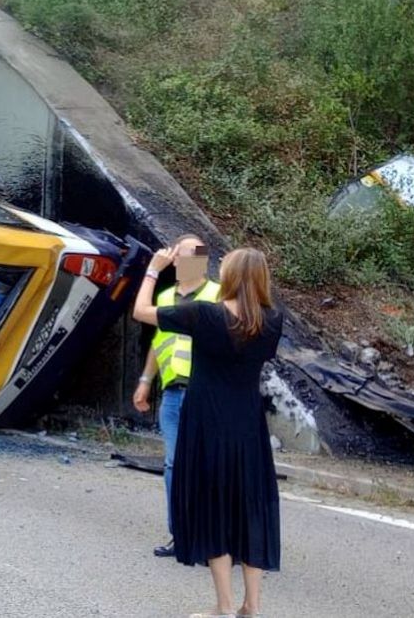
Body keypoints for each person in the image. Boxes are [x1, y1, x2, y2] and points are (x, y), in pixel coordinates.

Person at [132, 247, 282, 618]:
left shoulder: (204, 315)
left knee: (214, 508)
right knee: (250, 511)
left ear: (228, 277)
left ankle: (225, 607)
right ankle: (252, 606)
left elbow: (139, 312)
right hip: (248, 427)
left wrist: (153, 271)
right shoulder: (272, 321)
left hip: (207, 423)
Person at [132, 234, 221, 558]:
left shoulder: (218, 295)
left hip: (205, 394)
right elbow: (160, 341)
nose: (186, 261)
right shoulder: (167, 296)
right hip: (172, 396)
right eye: (181, 255)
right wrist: (145, 380)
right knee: (174, 465)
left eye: (195, 255)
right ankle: (181, 534)